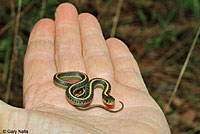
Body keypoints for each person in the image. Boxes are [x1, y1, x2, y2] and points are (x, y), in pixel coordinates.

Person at [0, 3, 171, 134]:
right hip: (74, 85)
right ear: (106, 99)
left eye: (108, 102)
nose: (108, 103)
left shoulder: (104, 88)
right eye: (108, 102)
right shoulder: (90, 87)